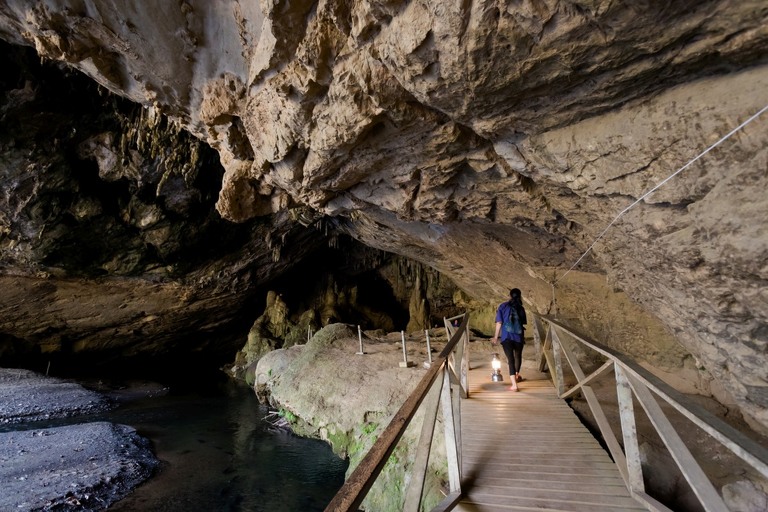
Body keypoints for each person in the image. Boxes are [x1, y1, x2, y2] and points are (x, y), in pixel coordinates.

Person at [491, 288, 527, 391]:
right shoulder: (521, 308)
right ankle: (516, 375)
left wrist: (495, 337)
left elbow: (499, 323)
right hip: (518, 336)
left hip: (506, 337)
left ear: (510, 296)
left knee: (510, 360)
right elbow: (523, 322)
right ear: (520, 296)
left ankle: (514, 385)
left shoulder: (503, 306)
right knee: (518, 356)